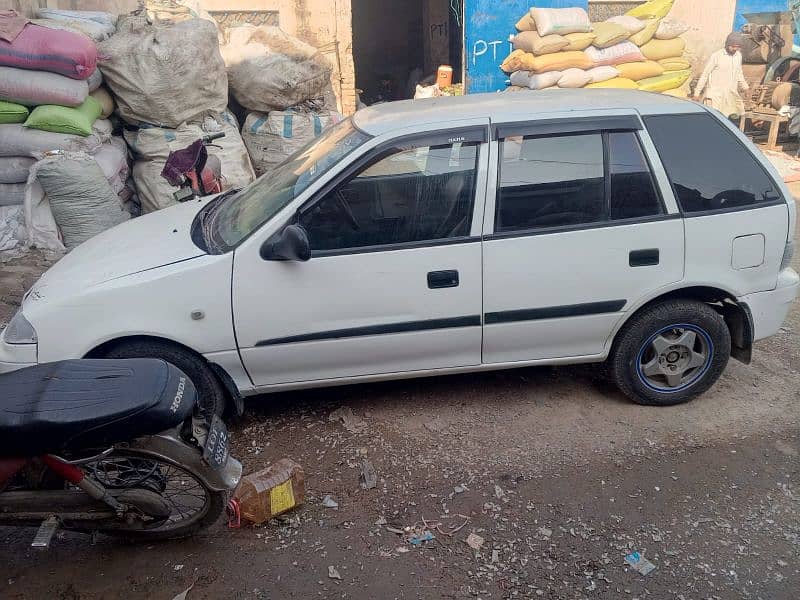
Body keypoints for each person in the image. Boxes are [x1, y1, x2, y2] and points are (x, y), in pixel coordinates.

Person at [693, 32, 750, 117]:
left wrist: (745, 88)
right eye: (733, 46)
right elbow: (705, 74)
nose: (735, 49)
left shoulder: (738, 56)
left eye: (737, 47)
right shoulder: (717, 56)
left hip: (730, 94)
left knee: (731, 117)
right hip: (715, 95)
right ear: (727, 44)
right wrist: (696, 93)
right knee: (714, 118)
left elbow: (739, 73)